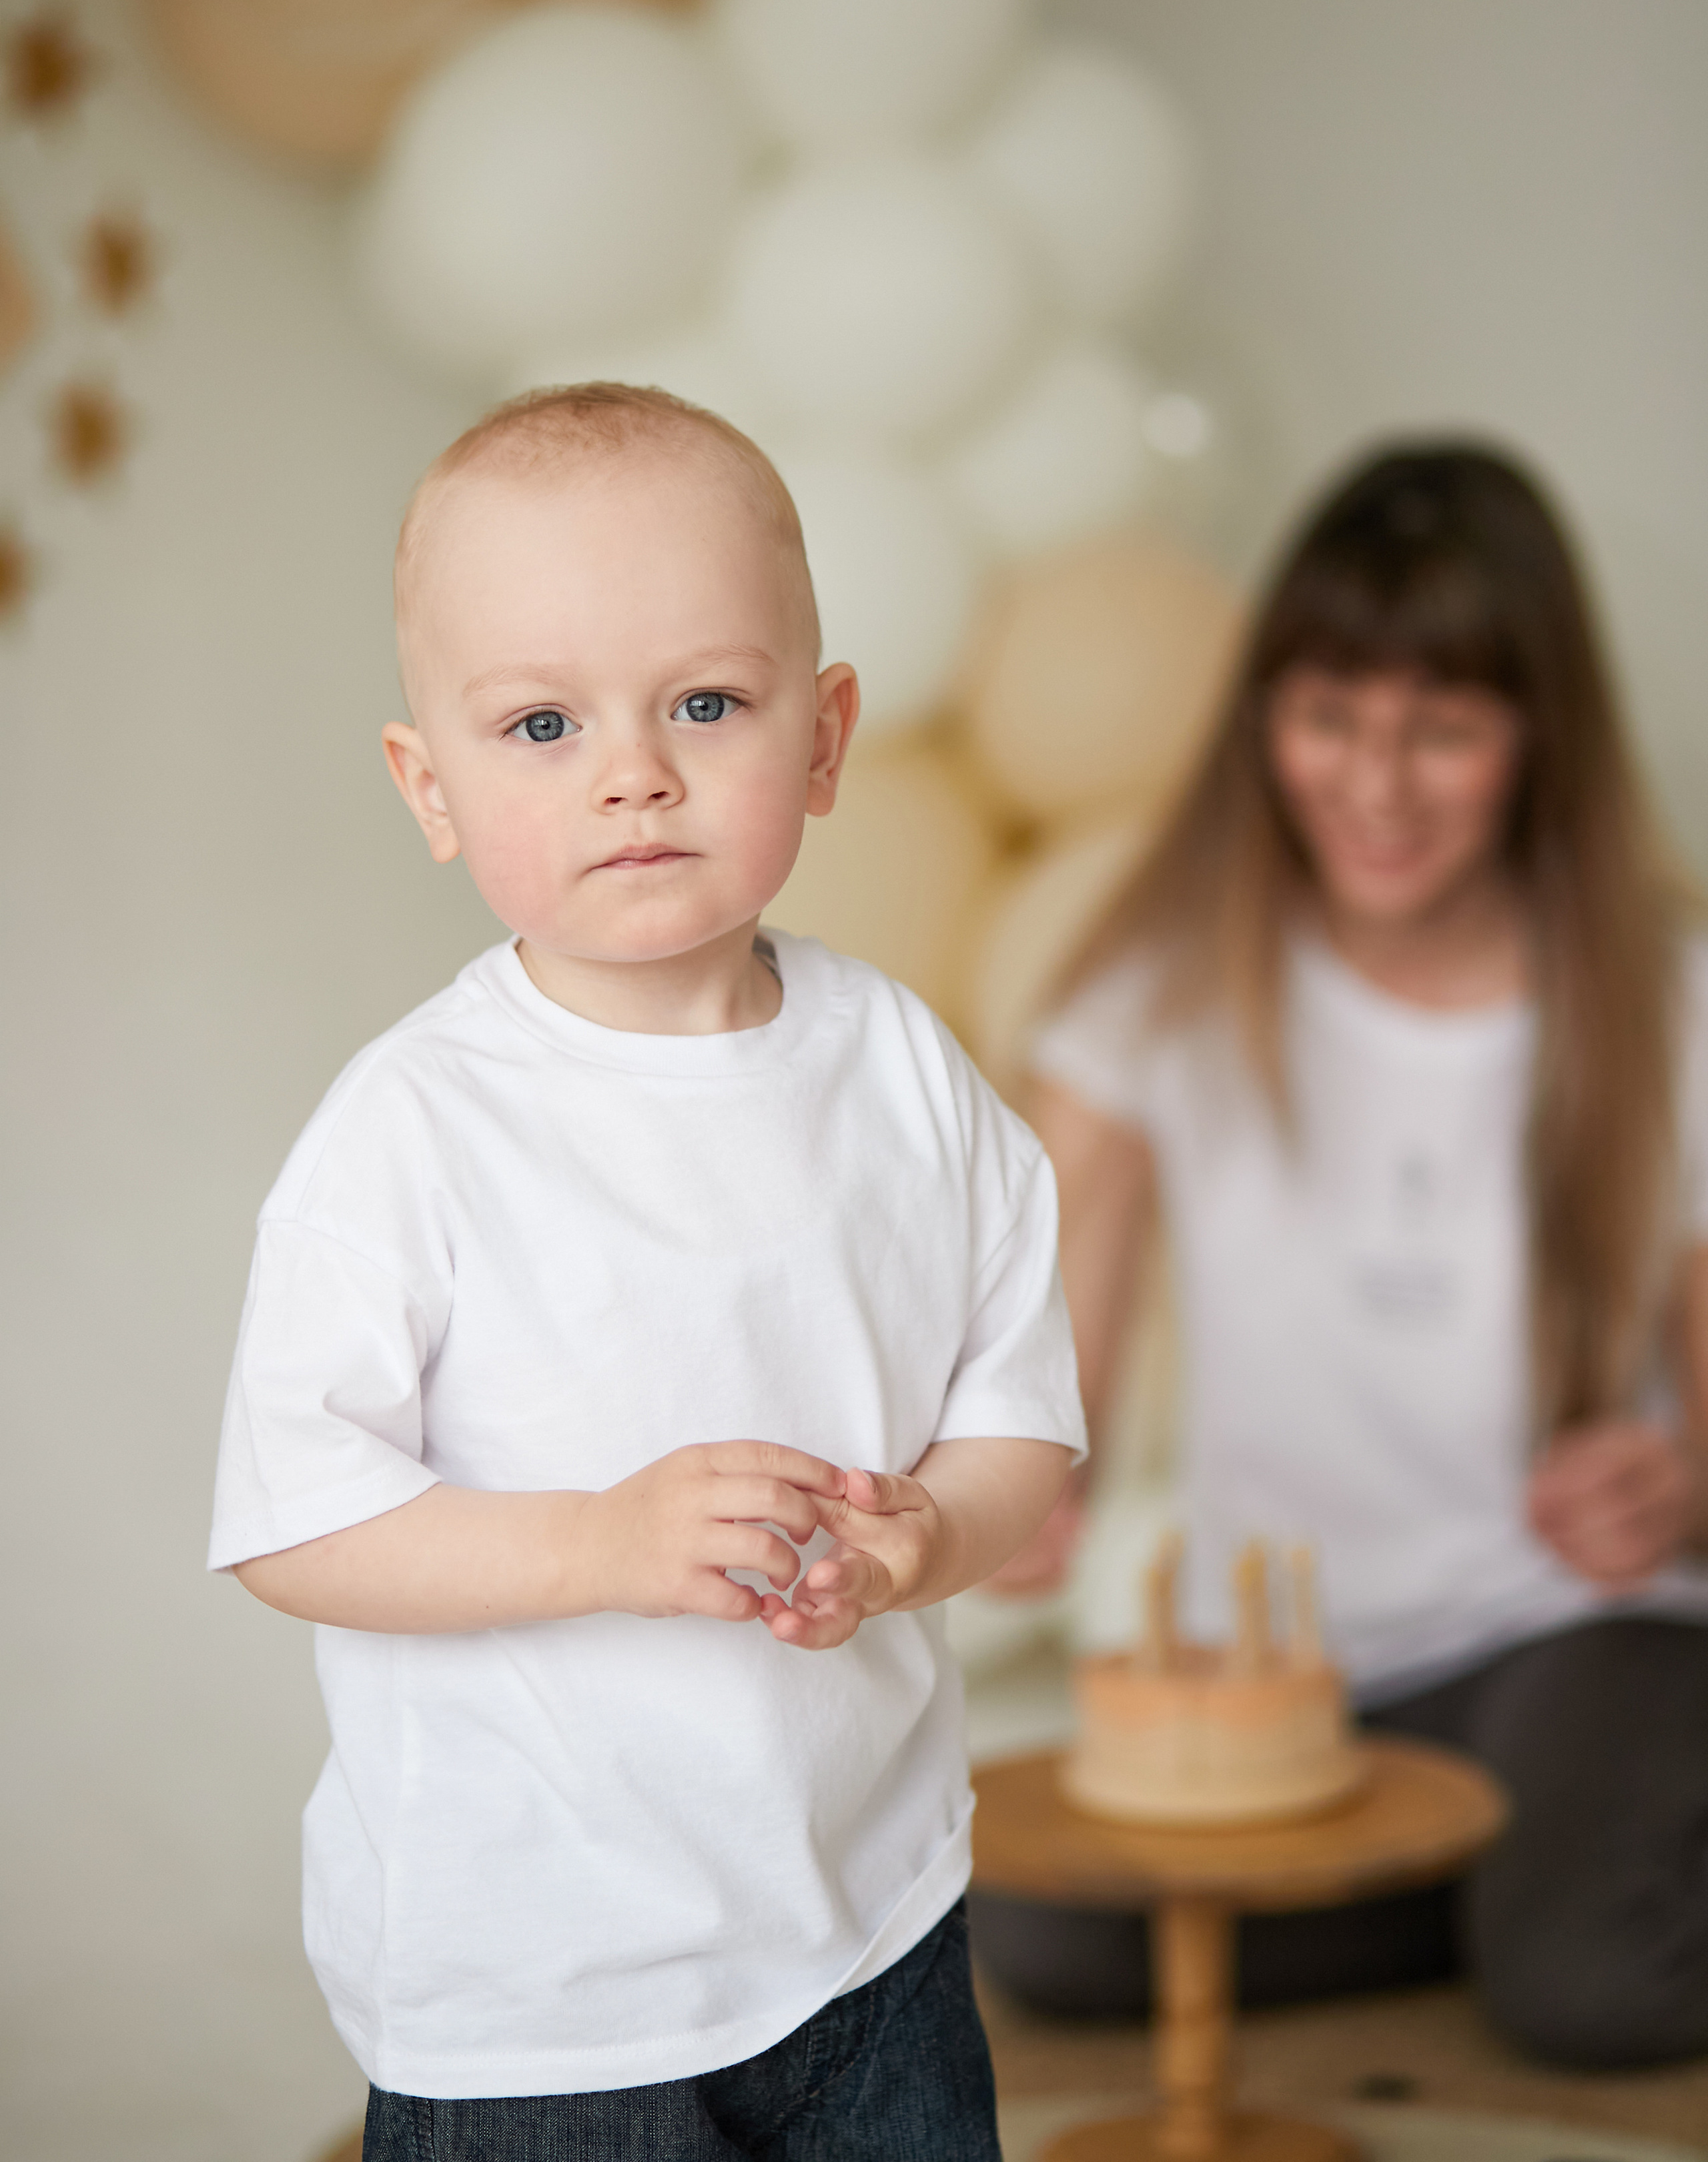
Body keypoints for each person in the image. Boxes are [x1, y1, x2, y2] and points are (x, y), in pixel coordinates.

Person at [208, 383, 1084, 2160]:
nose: (635, 770)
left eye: (706, 702)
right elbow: (291, 1522)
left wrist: (936, 1535)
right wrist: (599, 1543)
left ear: (825, 738)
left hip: (873, 1923)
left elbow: (1018, 1413)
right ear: (428, 785)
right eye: (540, 724)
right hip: (543, 1995)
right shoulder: (413, 1136)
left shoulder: (907, 1074)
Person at [973, 439, 1708, 2069]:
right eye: (1328, 720)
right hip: (1295, 1682)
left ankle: (1551, 1877)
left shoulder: (1672, 1008)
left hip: (1576, 1642)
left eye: (1438, 730)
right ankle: (1523, 1872)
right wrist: (1014, 1488)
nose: (1373, 787)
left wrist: (1676, 1485)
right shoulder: (1159, 991)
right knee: (1042, 1934)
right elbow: (1043, 1365)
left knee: (1585, 1991)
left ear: (1537, 741)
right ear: (1262, 724)